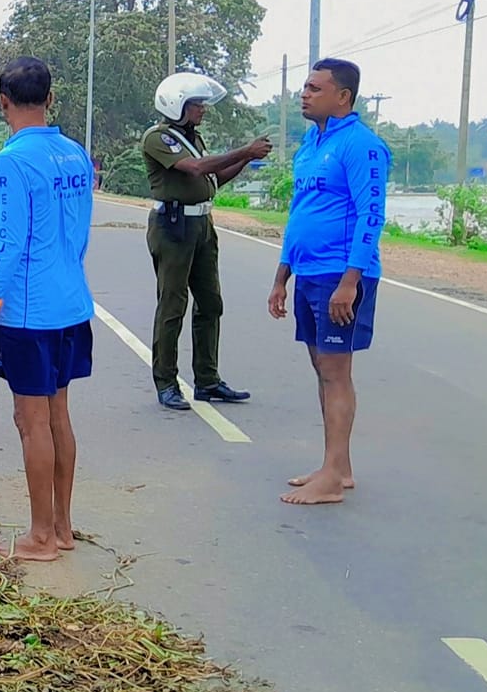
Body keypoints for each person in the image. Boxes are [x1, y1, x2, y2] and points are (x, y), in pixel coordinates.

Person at [0, 58, 94, 562]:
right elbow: (80, 230)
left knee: (30, 419)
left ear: (3, 102)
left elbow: (8, 243)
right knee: (58, 413)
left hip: (27, 311)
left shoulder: (12, 161)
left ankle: (40, 537)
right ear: (50, 98)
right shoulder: (74, 154)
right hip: (70, 301)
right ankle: (61, 525)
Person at [268, 57, 388, 506]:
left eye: (315, 88)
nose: (305, 94)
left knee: (336, 372)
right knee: (322, 368)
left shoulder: (362, 146)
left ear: (343, 96)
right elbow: (300, 213)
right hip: (309, 271)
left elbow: (371, 216)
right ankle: (338, 465)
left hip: (340, 274)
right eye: (305, 86)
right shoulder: (310, 145)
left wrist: (350, 281)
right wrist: (282, 275)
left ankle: (333, 479)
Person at [143, 72, 273, 411]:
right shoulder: (158, 138)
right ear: (177, 105)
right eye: (196, 104)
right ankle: (167, 382)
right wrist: (243, 149)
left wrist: (246, 158)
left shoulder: (193, 138)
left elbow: (215, 177)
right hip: (173, 227)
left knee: (211, 303)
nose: (202, 110)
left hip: (202, 224)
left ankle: (207, 379)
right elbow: (198, 169)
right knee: (172, 304)